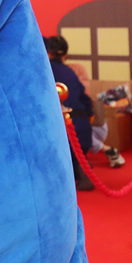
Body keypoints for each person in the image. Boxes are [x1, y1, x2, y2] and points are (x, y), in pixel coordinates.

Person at [46, 35, 96, 191]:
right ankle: (81, 167)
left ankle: (76, 171)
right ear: (65, 55)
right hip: (83, 130)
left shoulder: (44, 71)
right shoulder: (70, 71)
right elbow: (86, 101)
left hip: (65, 132)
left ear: (47, 53)